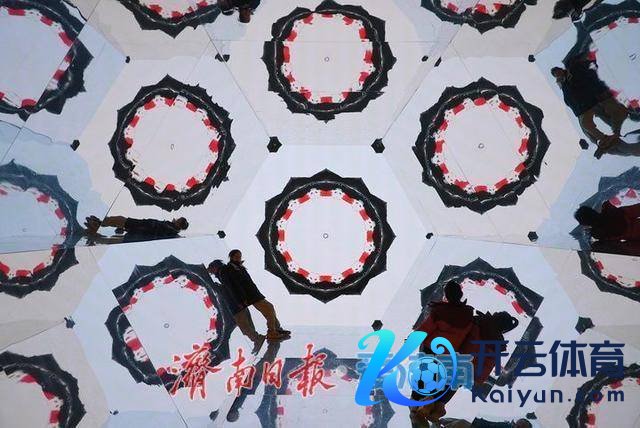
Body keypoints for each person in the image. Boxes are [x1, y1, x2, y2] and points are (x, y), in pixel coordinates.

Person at [411, 281, 476, 424]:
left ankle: (419, 407)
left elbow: (424, 330)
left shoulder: (439, 311)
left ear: (446, 295)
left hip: (431, 350)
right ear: (460, 294)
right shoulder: (469, 316)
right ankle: (433, 407)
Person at [551, 59, 640, 158]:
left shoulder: (572, 74)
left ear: (561, 70)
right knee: (588, 128)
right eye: (555, 74)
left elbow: (586, 83)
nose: (557, 75)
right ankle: (606, 141)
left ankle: (611, 139)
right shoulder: (563, 83)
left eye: (557, 72)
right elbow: (569, 98)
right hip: (582, 108)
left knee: (605, 119)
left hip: (590, 102)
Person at [221, 249, 290, 341]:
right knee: (269, 308)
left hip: (254, 293)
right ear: (231, 257)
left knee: (269, 309)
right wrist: (242, 299)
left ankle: (276, 329)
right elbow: (235, 286)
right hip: (250, 295)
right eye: (236, 256)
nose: (238, 258)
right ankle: (272, 332)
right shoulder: (230, 269)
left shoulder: (239, 267)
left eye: (240, 256)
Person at [208, 259, 265, 354]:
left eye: (212, 270)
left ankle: (257, 339)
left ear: (215, 267)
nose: (212, 273)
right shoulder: (226, 273)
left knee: (244, 327)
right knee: (248, 325)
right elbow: (232, 287)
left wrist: (237, 301)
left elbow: (230, 289)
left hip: (236, 305)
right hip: (240, 303)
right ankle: (257, 339)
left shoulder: (223, 274)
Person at [575, 203, 640, 256]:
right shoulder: (611, 211)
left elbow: (626, 249)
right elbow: (635, 209)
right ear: (593, 211)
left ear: (585, 223)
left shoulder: (599, 235)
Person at [84, 215, 188, 243]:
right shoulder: (170, 226)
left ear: (179, 224)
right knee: (120, 220)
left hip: (140, 235)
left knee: (113, 240)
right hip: (141, 225)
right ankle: (99, 223)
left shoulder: (173, 233)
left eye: (179, 220)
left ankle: (92, 237)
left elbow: (156, 233)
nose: (177, 219)